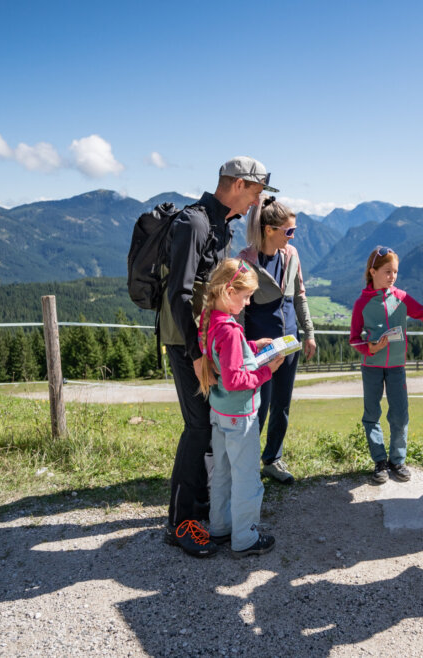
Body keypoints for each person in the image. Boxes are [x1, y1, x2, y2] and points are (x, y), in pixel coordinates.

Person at [163, 156, 277, 557]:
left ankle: (211, 517)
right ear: (238, 184)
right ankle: (180, 523)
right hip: (188, 342)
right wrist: (197, 354)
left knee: (208, 431)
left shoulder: (220, 225)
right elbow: (179, 292)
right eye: (256, 192)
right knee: (198, 428)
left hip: (205, 341)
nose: (257, 202)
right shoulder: (195, 223)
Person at [349, 246, 423, 484]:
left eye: (395, 272)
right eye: (387, 271)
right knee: (371, 415)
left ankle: (397, 461)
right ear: (372, 272)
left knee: (400, 416)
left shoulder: (402, 298)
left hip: (397, 367)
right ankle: (380, 462)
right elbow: (354, 339)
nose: (392, 276)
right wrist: (370, 348)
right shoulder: (361, 303)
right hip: (371, 367)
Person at [197, 258, 284, 557]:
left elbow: (225, 357)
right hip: (241, 415)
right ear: (228, 290)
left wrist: (251, 346)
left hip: (219, 412)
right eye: (246, 297)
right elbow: (236, 380)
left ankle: (220, 527)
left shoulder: (209, 318)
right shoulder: (231, 331)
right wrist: (267, 371)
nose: (248, 303)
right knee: (246, 478)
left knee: (222, 473)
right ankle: (245, 538)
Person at [238, 197, 317, 485]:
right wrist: (241, 347)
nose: (292, 236)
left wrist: (309, 333)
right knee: (258, 406)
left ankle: (272, 459)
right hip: (260, 348)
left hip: (289, 343)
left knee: (281, 404)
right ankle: (245, 463)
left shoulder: (292, 255)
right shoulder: (246, 261)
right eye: (289, 231)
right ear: (269, 230)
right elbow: (239, 310)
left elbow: (299, 296)